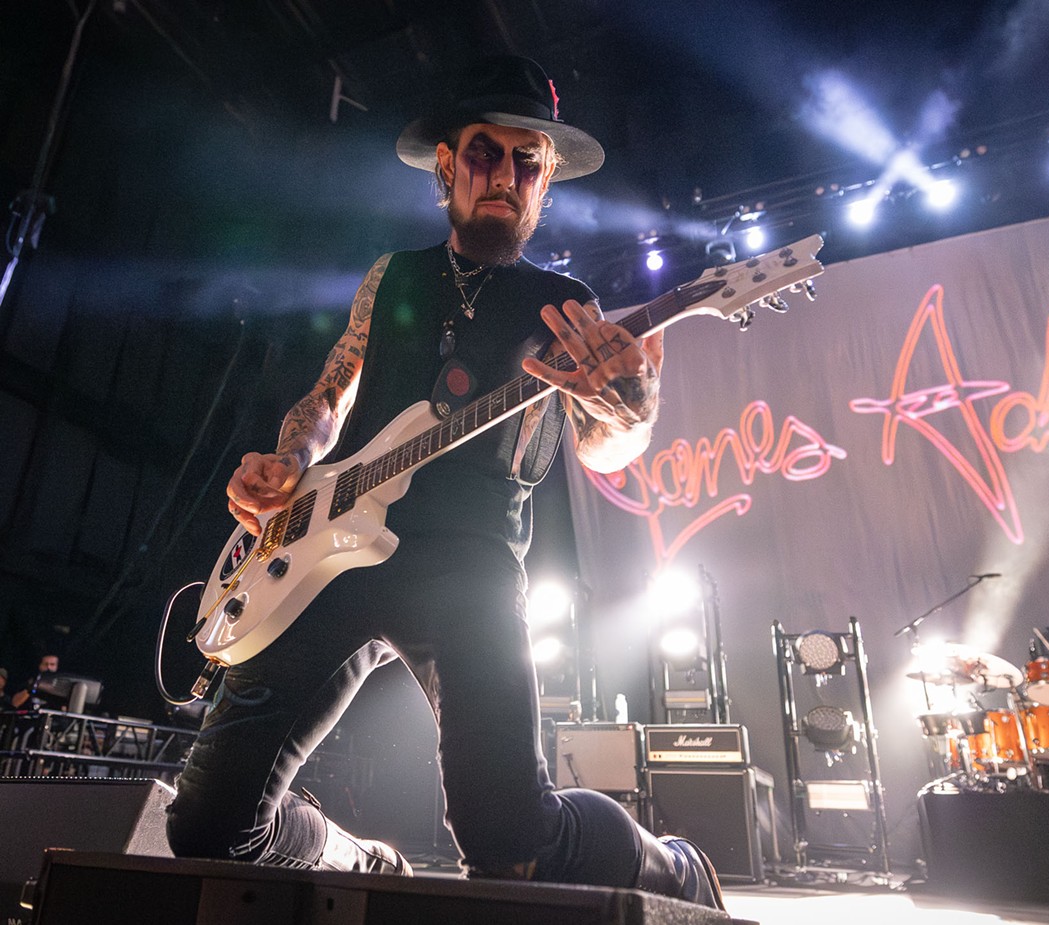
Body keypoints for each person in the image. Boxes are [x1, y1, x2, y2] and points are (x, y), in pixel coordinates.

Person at [166, 55, 723, 909]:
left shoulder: (562, 302)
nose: (503, 175)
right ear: (447, 167)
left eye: (525, 162)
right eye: (483, 154)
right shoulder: (390, 277)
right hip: (328, 554)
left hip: (472, 563)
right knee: (203, 828)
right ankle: (349, 857)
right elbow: (327, 397)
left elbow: (606, 450)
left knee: (511, 846)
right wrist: (290, 460)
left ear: (543, 182)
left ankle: (673, 865)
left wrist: (634, 402)